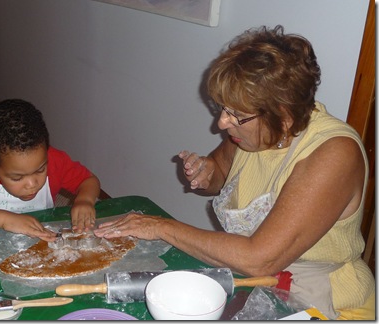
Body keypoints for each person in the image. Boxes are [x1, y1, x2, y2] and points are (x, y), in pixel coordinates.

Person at [94, 25, 375, 320]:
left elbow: (259, 259)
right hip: (258, 286)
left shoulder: (333, 154)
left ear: (284, 115)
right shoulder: (253, 133)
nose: (222, 123)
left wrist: (161, 227)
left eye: (236, 115)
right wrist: (205, 171)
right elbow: (219, 173)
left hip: (327, 303)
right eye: (222, 108)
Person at [0, 99, 101, 241]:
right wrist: (5, 219)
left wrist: (84, 200)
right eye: (17, 178)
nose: (32, 184)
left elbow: (89, 180)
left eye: (40, 170)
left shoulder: (55, 159)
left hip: (43, 236)